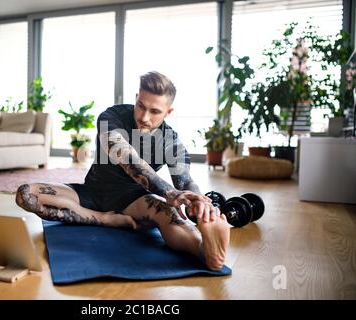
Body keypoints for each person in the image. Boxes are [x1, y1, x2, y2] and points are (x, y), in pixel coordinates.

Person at [15, 71, 230, 270]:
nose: (144, 117)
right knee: (26, 194)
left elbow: (185, 181)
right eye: (141, 106)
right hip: (91, 192)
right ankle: (107, 220)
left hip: (134, 201)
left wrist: (200, 201)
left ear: (169, 112)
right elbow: (127, 157)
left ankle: (205, 250)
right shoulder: (112, 117)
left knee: (168, 213)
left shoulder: (170, 141)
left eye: (155, 111)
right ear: (136, 97)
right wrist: (168, 192)